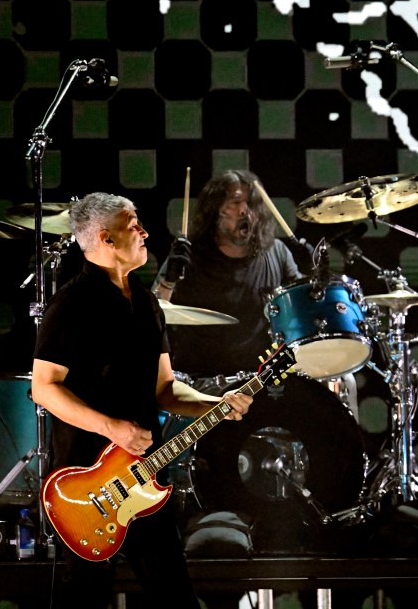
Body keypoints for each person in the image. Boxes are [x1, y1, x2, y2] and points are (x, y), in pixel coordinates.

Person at [31, 192, 254, 609]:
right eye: (133, 225)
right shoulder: (72, 303)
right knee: (86, 599)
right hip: (87, 486)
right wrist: (111, 427)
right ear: (106, 239)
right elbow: (44, 387)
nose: (145, 231)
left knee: (176, 598)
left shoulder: (148, 302)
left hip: (145, 478)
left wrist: (216, 404)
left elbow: (166, 389)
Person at [153, 169, 306, 380]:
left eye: (251, 203)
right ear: (215, 210)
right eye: (235, 202)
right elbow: (151, 315)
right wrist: (169, 280)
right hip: (202, 382)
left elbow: (304, 311)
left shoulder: (276, 252)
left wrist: (312, 277)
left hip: (262, 380)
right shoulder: (189, 256)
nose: (245, 210)